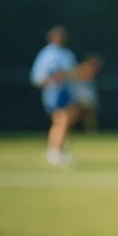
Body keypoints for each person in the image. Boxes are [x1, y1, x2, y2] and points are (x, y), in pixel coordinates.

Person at [29, 25, 79, 165]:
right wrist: (52, 81)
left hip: (67, 91)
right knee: (61, 121)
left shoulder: (67, 54)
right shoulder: (47, 54)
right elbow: (38, 77)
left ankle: (58, 150)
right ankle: (55, 151)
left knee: (63, 122)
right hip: (55, 92)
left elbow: (72, 74)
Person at [71, 53, 103, 133]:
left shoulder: (90, 71)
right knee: (72, 117)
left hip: (88, 97)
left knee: (90, 117)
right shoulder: (81, 69)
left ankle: (91, 132)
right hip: (78, 96)